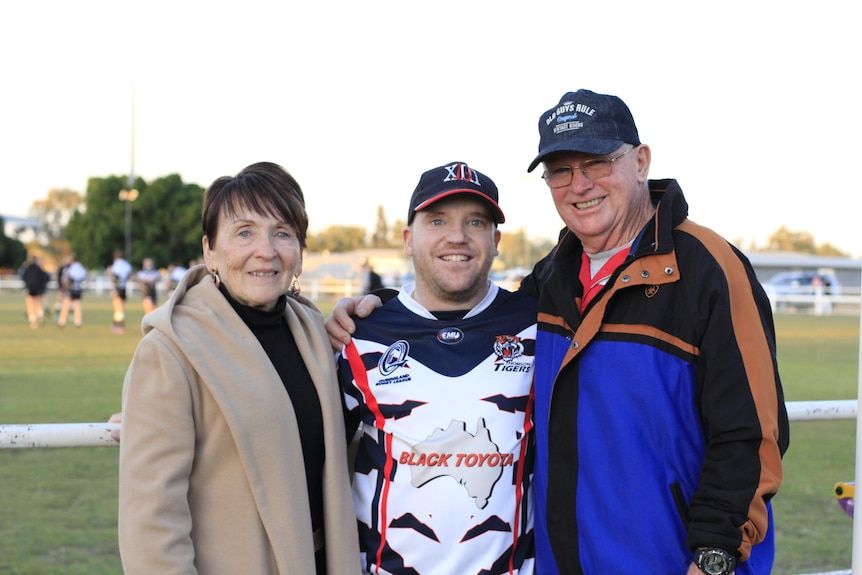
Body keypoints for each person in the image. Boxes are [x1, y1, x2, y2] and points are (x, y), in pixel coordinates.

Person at [327, 90, 789, 575]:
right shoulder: (548, 282)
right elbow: (460, 313)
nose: (579, 184)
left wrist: (713, 557)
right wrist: (369, 311)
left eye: (597, 163)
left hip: (676, 562)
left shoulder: (709, 268)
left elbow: (752, 435)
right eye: (561, 171)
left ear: (640, 161)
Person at [117, 162, 360, 574]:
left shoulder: (314, 334)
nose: (265, 250)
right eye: (244, 232)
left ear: (299, 252)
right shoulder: (169, 351)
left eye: (282, 233)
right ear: (209, 249)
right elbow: (151, 525)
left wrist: (372, 313)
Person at [337, 161, 537, 574]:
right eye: (438, 220)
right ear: (409, 239)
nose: (457, 237)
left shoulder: (538, 328)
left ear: (496, 240)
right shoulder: (359, 336)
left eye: (476, 222)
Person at [57, 254, 87, 328]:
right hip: (78, 289)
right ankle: (78, 321)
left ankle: (62, 321)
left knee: (66, 304)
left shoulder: (70, 268)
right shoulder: (81, 267)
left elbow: (66, 278)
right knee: (77, 305)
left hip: (70, 289)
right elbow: (85, 276)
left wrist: (65, 287)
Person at [20, 255, 50, 328]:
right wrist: (42, 287)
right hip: (38, 289)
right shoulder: (39, 269)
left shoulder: (27, 269)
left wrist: (27, 286)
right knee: (37, 302)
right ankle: (40, 315)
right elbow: (46, 277)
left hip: (30, 289)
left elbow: (23, 277)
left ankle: (33, 319)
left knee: (30, 303)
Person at [108, 250, 133, 333]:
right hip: (123, 287)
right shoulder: (126, 264)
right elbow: (130, 274)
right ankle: (116, 323)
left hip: (117, 287)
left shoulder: (116, 265)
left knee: (117, 307)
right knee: (121, 306)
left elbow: (113, 276)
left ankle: (120, 325)